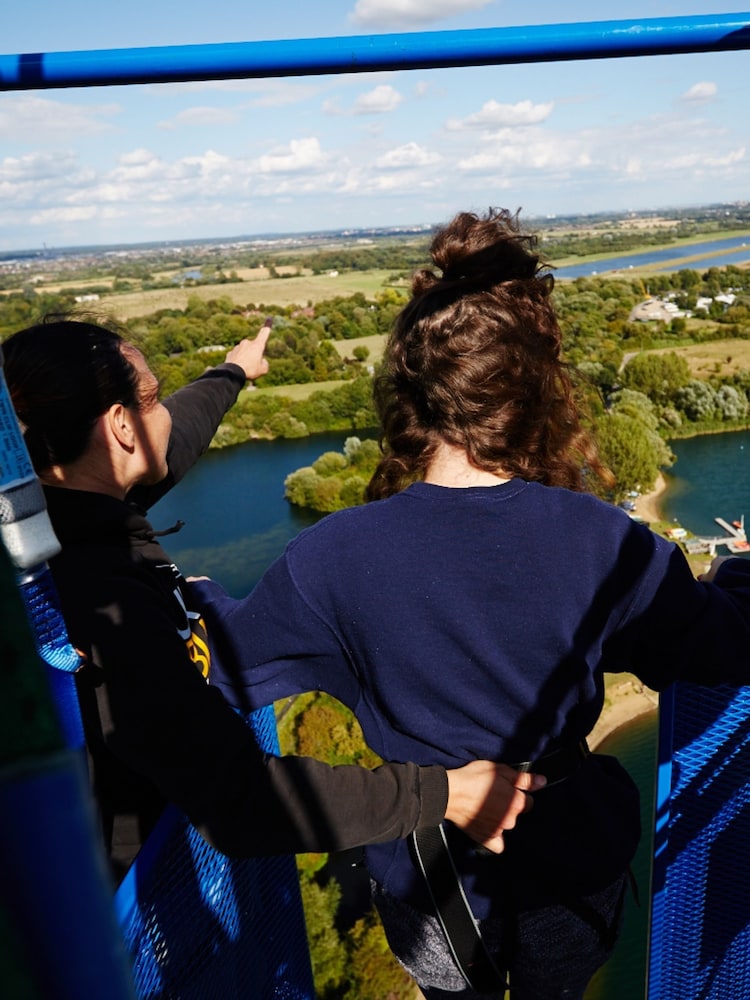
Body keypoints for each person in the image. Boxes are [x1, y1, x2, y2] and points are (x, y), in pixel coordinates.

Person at [191, 209, 750, 1000]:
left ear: (412, 395)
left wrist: (180, 591)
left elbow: (224, 665)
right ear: (531, 392)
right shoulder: (601, 540)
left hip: (426, 875)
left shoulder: (330, 559)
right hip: (568, 862)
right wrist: (739, 578)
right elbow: (721, 644)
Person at [2, 315, 544, 886]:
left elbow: (174, 436)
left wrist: (234, 372)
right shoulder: (109, 603)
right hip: (124, 909)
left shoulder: (53, 516)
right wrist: (443, 795)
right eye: (153, 398)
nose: (165, 413)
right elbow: (237, 795)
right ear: (121, 427)